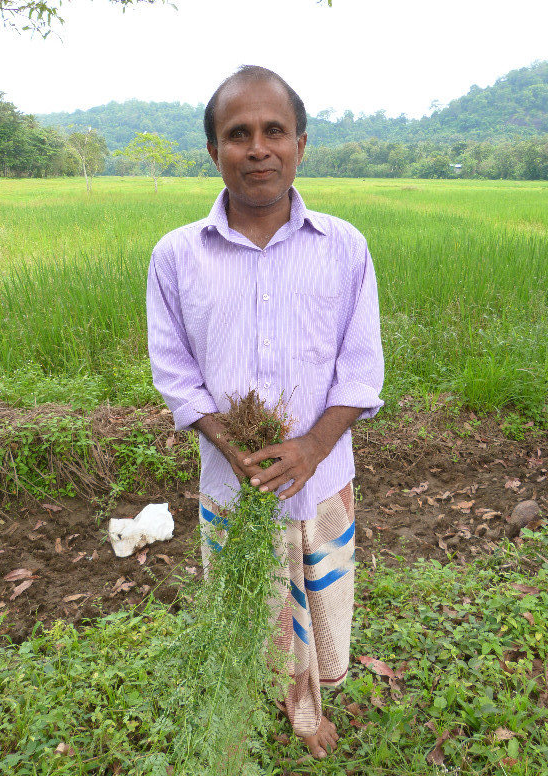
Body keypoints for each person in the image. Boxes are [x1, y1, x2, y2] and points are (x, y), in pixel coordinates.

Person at [146, 65, 384, 760]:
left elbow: (361, 370)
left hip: (320, 480)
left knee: (321, 604)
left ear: (300, 145)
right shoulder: (177, 256)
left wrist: (311, 446)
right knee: (256, 615)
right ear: (214, 151)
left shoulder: (343, 247)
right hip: (233, 483)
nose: (257, 148)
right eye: (237, 134)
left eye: (273, 131)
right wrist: (229, 443)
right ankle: (287, 706)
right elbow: (176, 373)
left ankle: (312, 707)